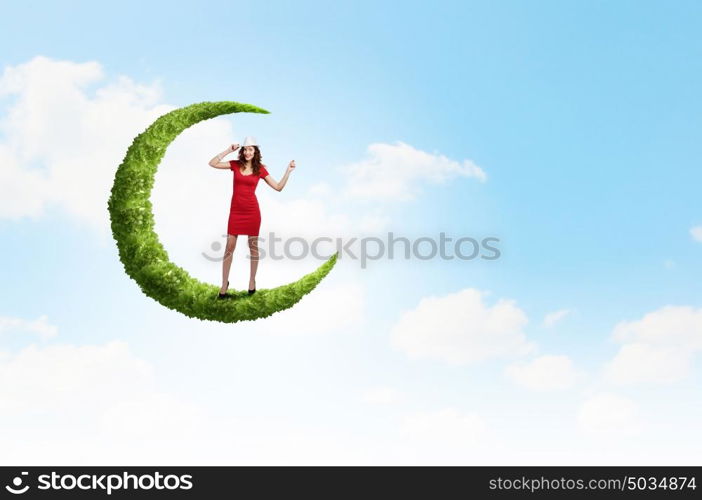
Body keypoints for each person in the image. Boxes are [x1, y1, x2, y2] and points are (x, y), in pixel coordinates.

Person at [208, 136, 295, 298]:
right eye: (246, 149)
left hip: (252, 213)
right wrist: (228, 150)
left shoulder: (260, 169)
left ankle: (252, 281)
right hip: (235, 212)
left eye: (251, 150)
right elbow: (212, 163)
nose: (248, 152)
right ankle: (224, 284)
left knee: (253, 248)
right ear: (243, 151)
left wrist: (287, 171)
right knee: (229, 248)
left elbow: (278, 187)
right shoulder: (235, 165)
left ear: (255, 152)